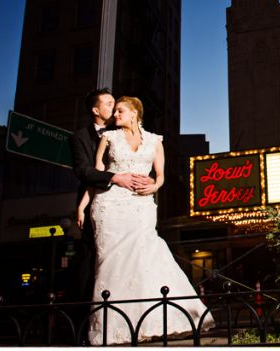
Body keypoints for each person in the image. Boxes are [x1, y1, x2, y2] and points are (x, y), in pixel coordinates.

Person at [87, 96, 214, 344]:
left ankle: (155, 319)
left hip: (142, 204)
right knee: (114, 261)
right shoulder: (108, 138)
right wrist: (86, 205)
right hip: (110, 204)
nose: (116, 115)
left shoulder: (156, 141)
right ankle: (114, 326)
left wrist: (153, 186)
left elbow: (161, 176)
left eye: (120, 111)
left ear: (135, 113)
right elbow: (97, 174)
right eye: (115, 112)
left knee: (147, 256)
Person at [70, 89, 154, 304]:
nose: (114, 108)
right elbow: (83, 171)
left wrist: (151, 181)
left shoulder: (124, 129)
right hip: (100, 202)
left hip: (130, 203)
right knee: (92, 258)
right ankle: (83, 319)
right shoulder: (80, 136)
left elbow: (142, 161)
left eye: (116, 104)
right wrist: (115, 178)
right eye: (108, 104)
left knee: (131, 257)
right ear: (96, 110)